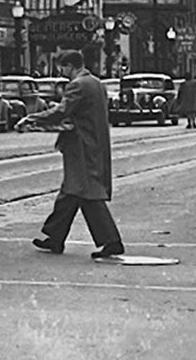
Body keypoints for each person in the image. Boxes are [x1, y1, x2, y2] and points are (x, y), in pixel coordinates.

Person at [28, 49, 125, 259]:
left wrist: (34, 118)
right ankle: (55, 237)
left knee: (86, 192)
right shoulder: (97, 83)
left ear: (69, 66)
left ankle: (111, 241)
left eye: (62, 67)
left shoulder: (78, 85)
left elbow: (62, 110)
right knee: (70, 192)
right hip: (93, 142)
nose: (61, 71)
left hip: (81, 146)